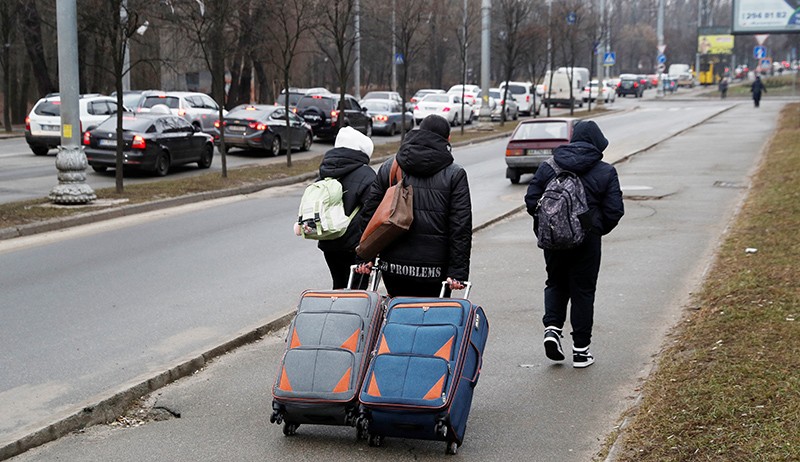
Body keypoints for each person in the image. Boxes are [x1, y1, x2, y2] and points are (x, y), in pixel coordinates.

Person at [524, 120, 624, 368]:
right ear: (597, 141)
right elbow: (614, 211)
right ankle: (581, 351)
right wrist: (593, 228)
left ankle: (552, 330)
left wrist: (549, 224)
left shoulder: (549, 167)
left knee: (555, 283)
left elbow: (531, 200)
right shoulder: (605, 171)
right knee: (583, 291)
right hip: (587, 241)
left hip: (552, 239)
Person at [356, 114, 472, 297]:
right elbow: (460, 226)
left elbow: (369, 213)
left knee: (397, 316)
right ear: (447, 139)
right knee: (432, 320)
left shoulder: (390, 167)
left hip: (393, 267)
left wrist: (365, 257)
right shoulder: (454, 174)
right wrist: (457, 272)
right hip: (435, 270)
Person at [314, 126, 377, 289]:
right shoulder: (367, 175)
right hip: (354, 246)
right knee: (357, 292)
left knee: (338, 285)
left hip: (329, 240)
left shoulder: (325, 170)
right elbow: (372, 214)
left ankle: (336, 312)